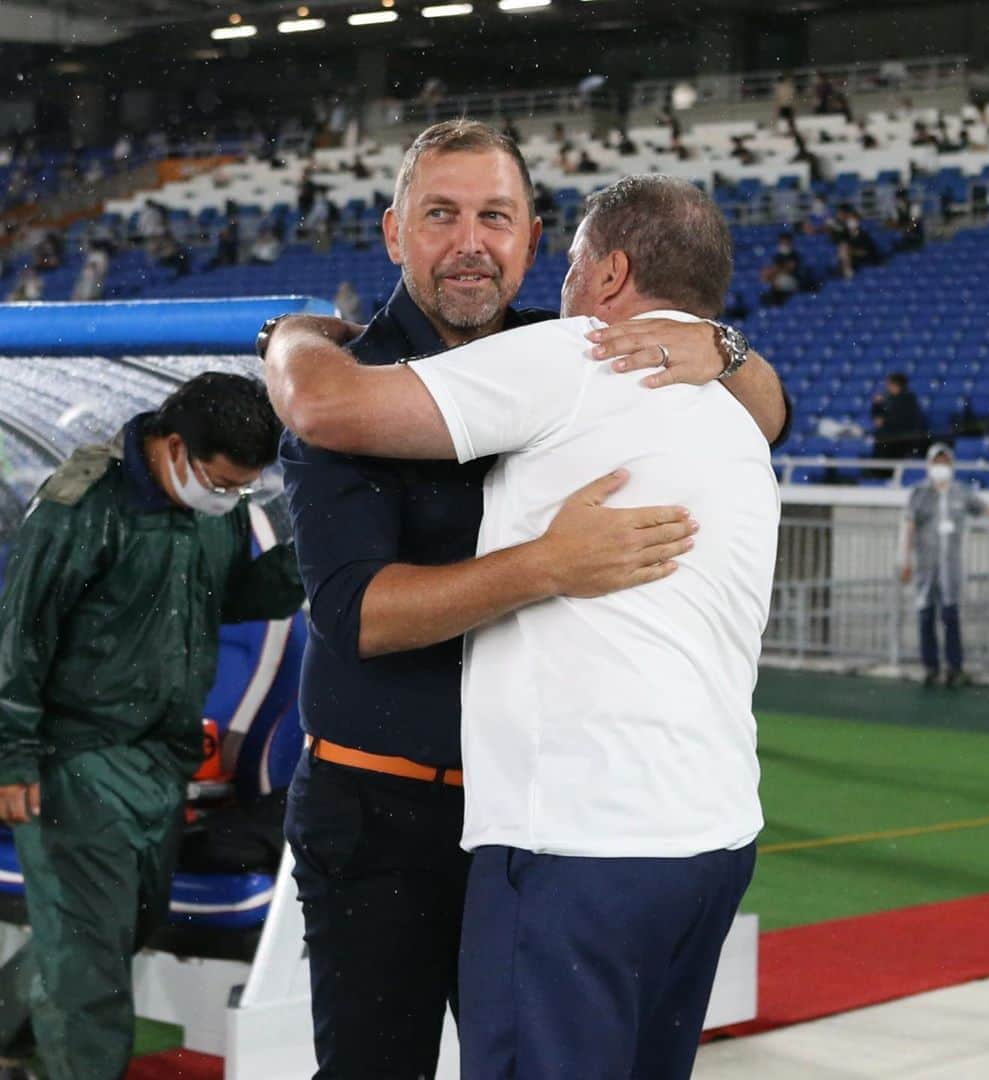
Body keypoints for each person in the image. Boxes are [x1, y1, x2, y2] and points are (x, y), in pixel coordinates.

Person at [266, 120, 789, 1080]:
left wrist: (722, 342)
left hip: (533, 823)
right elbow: (361, 619)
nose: (471, 241)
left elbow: (767, 415)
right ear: (394, 234)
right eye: (442, 216)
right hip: (387, 812)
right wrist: (549, 564)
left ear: (537, 243)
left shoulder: (582, 357)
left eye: (496, 217)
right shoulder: (354, 383)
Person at [0, 374, 305, 1080]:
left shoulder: (214, 504)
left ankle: (18, 1029)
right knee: (91, 963)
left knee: (115, 930)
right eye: (222, 482)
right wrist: (13, 757)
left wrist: (305, 563)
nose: (228, 497)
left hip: (160, 762)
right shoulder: (82, 508)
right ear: (174, 447)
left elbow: (225, 599)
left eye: (241, 489)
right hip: (76, 758)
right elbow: (21, 636)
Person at [900, 444, 989, 688]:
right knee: (926, 616)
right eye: (937, 463)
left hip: (950, 568)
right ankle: (930, 667)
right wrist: (906, 559)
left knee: (950, 615)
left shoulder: (961, 492)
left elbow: (987, 510)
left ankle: (955, 667)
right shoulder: (919, 493)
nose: (941, 468)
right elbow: (909, 526)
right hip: (926, 567)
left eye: (945, 462)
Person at [872, 372, 928, 461]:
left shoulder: (908, 399)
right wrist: (877, 405)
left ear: (896, 385)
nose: (887, 387)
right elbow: (878, 419)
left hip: (903, 440)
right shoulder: (890, 399)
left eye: (889, 384)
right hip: (892, 439)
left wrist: (883, 421)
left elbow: (902, 421)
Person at [760, 231, 804, 305]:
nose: (783, 244)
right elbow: (773, 268)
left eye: (785, 241)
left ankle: (779, 304)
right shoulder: (778, 255)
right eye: (781, 242)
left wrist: (775, 272)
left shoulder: (794, 254)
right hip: (779, 278)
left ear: (790, 242)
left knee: (777, 282)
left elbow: (790, 269)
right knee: (767, 283)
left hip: (793, 279)